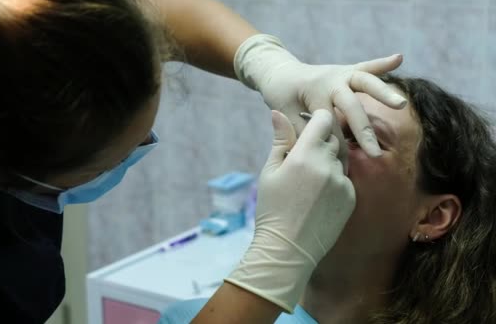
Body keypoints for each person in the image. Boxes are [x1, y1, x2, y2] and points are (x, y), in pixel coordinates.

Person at [0, 0, 409, 323]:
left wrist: (270, 63)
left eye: (373, 137)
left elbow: (171, 19)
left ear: (438, 215)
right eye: (119, 155)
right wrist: (275, 263)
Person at [159, 75, 496, 323]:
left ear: (433, 216)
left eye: (362, 136)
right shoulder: (190, 317)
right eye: (321, 123)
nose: (322, 142)